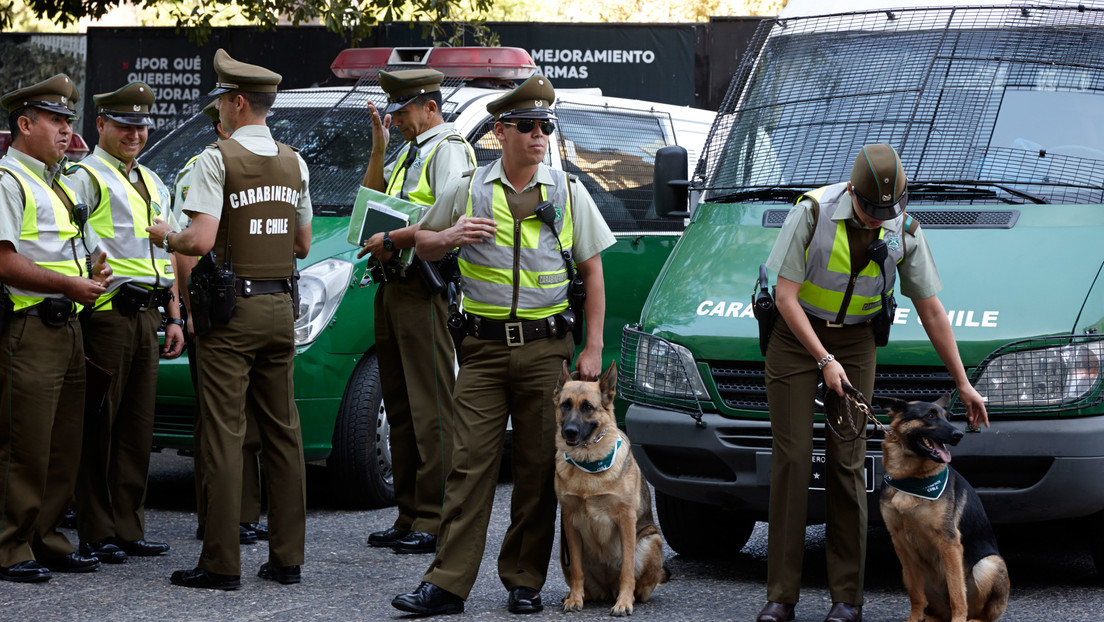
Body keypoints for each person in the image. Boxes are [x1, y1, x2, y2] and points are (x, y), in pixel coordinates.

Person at [392, 74, 615, 616]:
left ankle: (524, 580)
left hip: (547, 352)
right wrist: (448, 238)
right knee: (468, 465)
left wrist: (592, 348)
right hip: (484, 351)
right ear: (501, 132)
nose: (538, 136)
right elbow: (420, 242)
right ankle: (446, 584)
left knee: (539, 468)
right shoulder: (468, 187)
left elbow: (593, 270)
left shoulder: (567, 191)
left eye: (546, 126)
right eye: (527, 126)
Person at [756, 143, 989, 622]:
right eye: (870, 209)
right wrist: (823, 359)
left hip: (858, 339)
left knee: (848, 463)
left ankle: (847, 600)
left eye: (888, 210)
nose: (877, 218)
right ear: (851, 191)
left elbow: (931, 309)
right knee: (794, 459)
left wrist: (963, 382)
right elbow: (784, 295)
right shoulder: (813, 212)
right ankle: (781, 597)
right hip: (796, 334)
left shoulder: (903, 228)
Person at [148, 48, 312, 591]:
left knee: (223, 433)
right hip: (279, 305)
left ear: (239, 103)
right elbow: (303, 243)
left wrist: (163, 236)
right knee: (283, 433)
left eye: (222, 99)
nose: (219, 108)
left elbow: (197, 239)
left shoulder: (215, 159)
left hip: (230, 311)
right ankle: (287, 558)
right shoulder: (295, 161)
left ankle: (221, 563)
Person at [0, 74, 113, 583]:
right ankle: (9, 546)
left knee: (65, 443)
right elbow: (3, 261)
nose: (67, 130)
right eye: (56, 121)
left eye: (69, 120)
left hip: (67, 328)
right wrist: (69, 287)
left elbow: (68, 247)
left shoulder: (56, 181)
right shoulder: (8, 181)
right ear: (24, 125)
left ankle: (45, 537)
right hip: (30, 328)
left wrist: (94, 271)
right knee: (25, 444)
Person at [357, 68, 474, 555]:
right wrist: (380, 148)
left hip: (421, 288)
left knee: (431, 409)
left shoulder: (449, 149)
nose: (397, 119)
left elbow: (445, 218)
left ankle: (437, 516)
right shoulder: (411, 150)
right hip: (392, 285)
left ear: (430, 107)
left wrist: (392, 238)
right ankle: (409, 514)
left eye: (403, 111)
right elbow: (371, 203)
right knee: (401, 405)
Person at [66, 81, 182, 566]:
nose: (134, 134)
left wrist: (175, 315)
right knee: (100, 426)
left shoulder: (153, 180)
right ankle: (96, 531)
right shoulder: (84, 176)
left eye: (141, 125)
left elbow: (168, 250)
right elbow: (63, 236)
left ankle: (128, 528)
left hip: (149, 315)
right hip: (108, 314)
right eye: (124, 126)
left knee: (136, 428)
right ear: (101, 126)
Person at [175, 100, 268, 547]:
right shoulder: (202, 167)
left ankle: (243, 514)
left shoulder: (264, 166)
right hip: (212, 309)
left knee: (245, 421)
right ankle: (214, 516)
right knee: (215, 425)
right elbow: (185, 248)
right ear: (222, 123)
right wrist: (191, 314)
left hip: (246, 308)